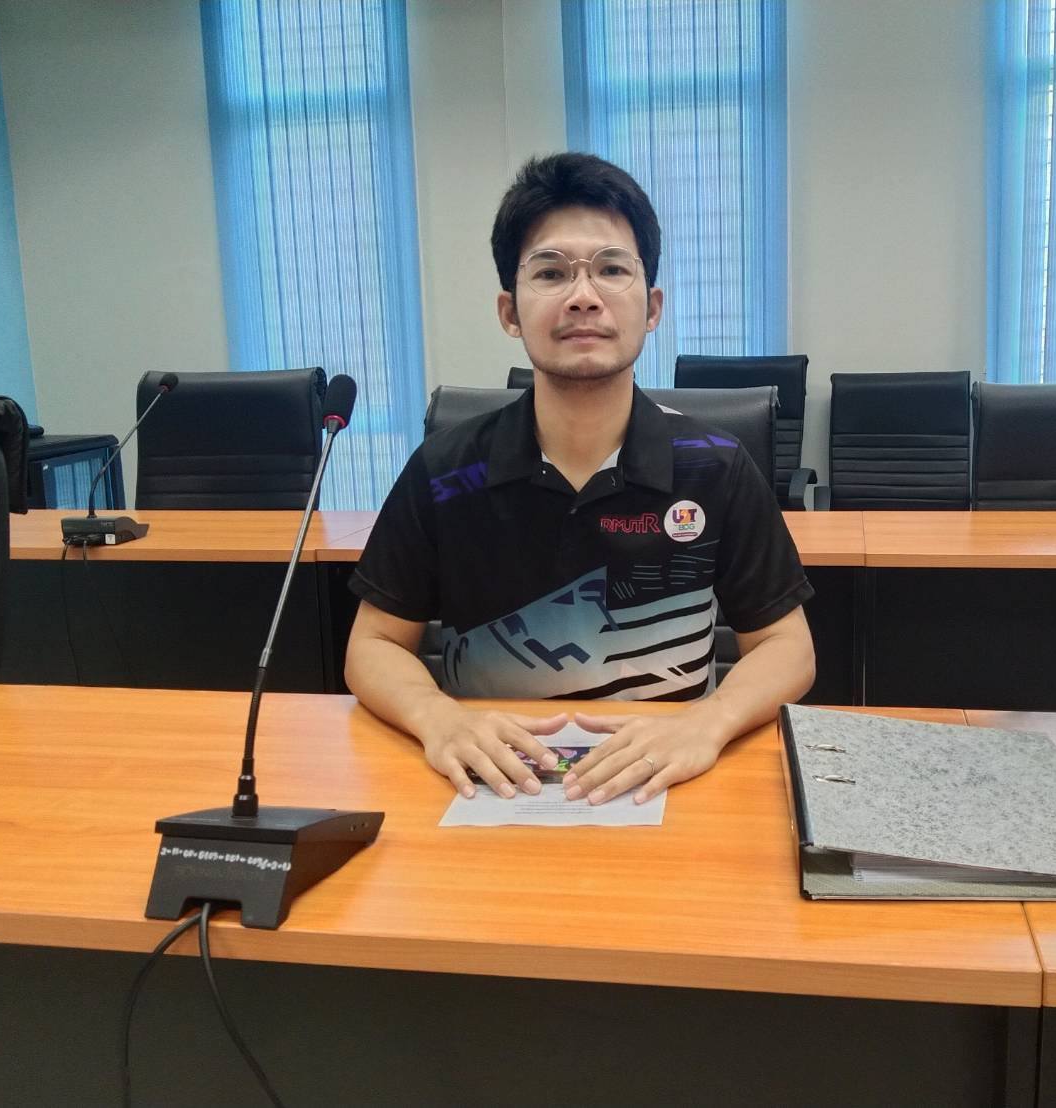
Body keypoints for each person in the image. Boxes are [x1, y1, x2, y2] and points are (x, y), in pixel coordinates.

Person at [345, 152, 815, 805]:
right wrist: (437, 717)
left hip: (665, 786)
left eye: (612, 269)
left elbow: (787, 647)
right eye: (551, 272)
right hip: (491, 787)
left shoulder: (715, 465)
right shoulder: (446, 470)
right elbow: (372, 644)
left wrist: (707, 722)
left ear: (651, 307)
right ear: (510, 312)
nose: (583, 296)